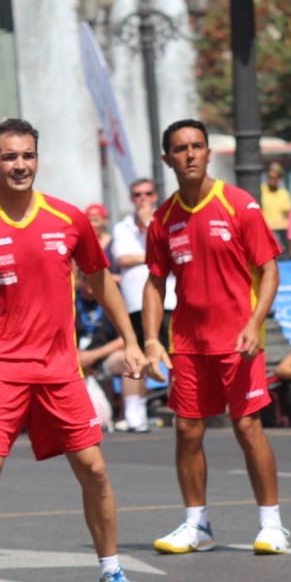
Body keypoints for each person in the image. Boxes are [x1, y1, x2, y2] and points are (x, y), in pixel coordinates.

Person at [0, 118, 148, 582]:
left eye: (27, 155)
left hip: (60, 368)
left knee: (94, 469)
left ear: (37, 159)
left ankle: (110, 574)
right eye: (9, 157)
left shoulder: (69, 219)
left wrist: (132, 340)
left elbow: (102, 279)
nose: (19, 165)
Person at [143, 118, 287, 556]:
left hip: (238, 342)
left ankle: (271, 524)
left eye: (197, 146)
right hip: (187, 343)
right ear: (167, 159)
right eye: (181, 149)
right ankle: (196, 524)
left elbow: (269, 270)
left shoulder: (239, 205)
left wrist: (253, 324)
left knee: (247, 426)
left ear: (208, 153)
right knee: (187, 431)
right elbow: (154, 282)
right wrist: (150, 339)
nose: (190, 154)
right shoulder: (163, 218)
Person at [110, 177, 174, 432]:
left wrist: (150, 225)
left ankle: (179, 406)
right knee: (137, 356)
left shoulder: (162, 221)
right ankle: (135, 411)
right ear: (131, 198)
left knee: (172, 354)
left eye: (147, 193)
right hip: (135, 303)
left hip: (166, 300)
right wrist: (151, 256)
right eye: (137, 195)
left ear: (154, 196)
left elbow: (167, 251)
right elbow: (122, 258)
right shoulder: (123, 226)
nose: (142, 199)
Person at [261, 161, 291, 249]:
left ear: (279, 179)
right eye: (269, 177)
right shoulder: (261, 190)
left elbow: (289, 214)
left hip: (281, 233)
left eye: (273, 178)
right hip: (265, 232)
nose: (270, 180)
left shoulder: (284, 193)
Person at [86, 203, 113, 269]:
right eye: (89, 221)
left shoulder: (115, 244)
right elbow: (77, 276)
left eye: (96, 220)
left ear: (105, 221)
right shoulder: (82, 245)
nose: (92, 224)